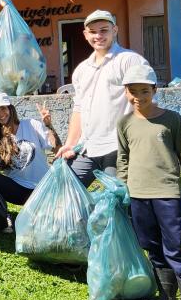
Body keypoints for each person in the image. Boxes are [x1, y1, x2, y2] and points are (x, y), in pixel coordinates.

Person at [117, 64, 181, 300]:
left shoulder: (172, 119)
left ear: (154, 90)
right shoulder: (125, 123)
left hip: (167, 193)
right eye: (133, 91)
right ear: (126, 92)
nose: (138, 96)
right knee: (151, 245)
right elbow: (123, 159)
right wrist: (122, 189)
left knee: (176, 247)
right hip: (138, 195)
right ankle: (166, 297)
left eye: (144, 91)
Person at [55, 10, 150, 186]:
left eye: (104, 30)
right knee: (65, 188)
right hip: (88, 147)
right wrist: (70, 143)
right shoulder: (82, 70)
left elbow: (145, 102)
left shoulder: (129, 61)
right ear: (85, 35)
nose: (98, 36)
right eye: (93, 31)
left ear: (115, 30)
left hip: (119, 146)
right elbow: (79, 108)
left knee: (118, 198)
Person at [0, 93, 59, 206]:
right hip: (19, 190)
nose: (0, 114)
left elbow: (57, 149)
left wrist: (48, 125)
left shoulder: (32, 125)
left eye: (3, 108)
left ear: (11, 109)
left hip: (44, 187)